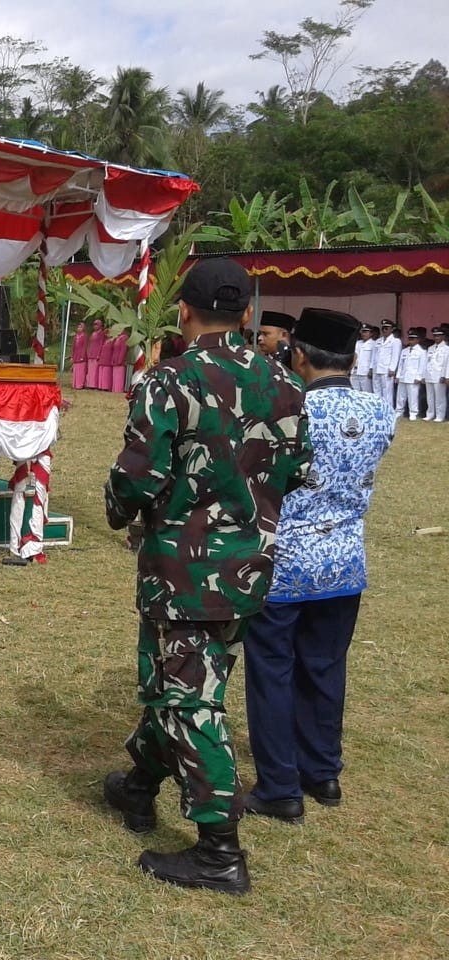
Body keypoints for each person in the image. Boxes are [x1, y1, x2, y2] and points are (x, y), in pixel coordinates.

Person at [101, 257, 312, 895]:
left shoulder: (171, 379)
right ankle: (138, 785)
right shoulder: (284, 383)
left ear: (184, 313)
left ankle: (220, 851)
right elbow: (296, 473)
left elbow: (138, 476)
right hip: (249, 569)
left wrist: (119, 507)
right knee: (189, 678)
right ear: (247, 315)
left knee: (192, 701)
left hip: (184, 572)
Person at [242, 308, 395, 824]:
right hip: (345, 561)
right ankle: (322, 771)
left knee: (272, 672)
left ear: (298, 353)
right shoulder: (381, 412)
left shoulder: (291, 409)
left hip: (286, 562)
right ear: (352, 356)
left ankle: (280, 786)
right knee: (326, 668)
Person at [394, 326, 427, 421]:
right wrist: (398, 375)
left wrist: (419, 377)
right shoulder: (404, 351)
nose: (411, 341)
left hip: (413, 378)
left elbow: (422, 365)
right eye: (410, 338)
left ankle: (413, 413)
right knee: (400, 396)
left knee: (413, 396)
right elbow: (401, 364)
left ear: (417, 340)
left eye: (413, 339)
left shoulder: (422, 352)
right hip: (403, 376)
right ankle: (399, 411)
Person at [374, 319, 400, 410]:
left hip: (386, 369)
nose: (384, 330)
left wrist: (392, 369)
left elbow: (395, 356)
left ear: (392, 329)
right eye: (383, 328)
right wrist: (371, 368)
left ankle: (388, 408)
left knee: (387, 391)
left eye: (387, 328)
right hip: (377, 368)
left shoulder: (395, 341)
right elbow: (374, 355)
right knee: (377, 390)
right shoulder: (378, 341)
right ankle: (378, 408)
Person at [425, 325, 448, 421]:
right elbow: (427, 362)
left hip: (439, 376)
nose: (436, 338)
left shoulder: (447, 349)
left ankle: (440, 415)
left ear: (443, 337)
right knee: (429, 396)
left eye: (438, 336)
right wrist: (423, 375)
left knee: (440, 397)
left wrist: (445, 376)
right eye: (435, 336)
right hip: (429, 375)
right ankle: (430, 414)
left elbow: (448, 364)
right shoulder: (430, 348)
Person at [350, 323, 375, 392]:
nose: (364, 334)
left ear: (371, 333)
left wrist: (371, 369)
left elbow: (374, 358)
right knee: (354, 392)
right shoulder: (358, 343)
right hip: (355, 371)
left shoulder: (374, 344)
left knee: (366, 393)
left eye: (366, 332)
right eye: (363, 332)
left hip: (365, 372)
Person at [71, 321, 88, 390]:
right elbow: (73, 347)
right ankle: (75, 384)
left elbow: (84, 346)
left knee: (81, 371)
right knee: (76, 370)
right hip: (76, 355)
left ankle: (80, 385)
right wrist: (72, 356)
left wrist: (82, 356)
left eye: (80, 327)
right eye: (78, 327)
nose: (79, 328)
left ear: (83, 328)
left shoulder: (84, 336)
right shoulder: (75, 337)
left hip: (81, 356)